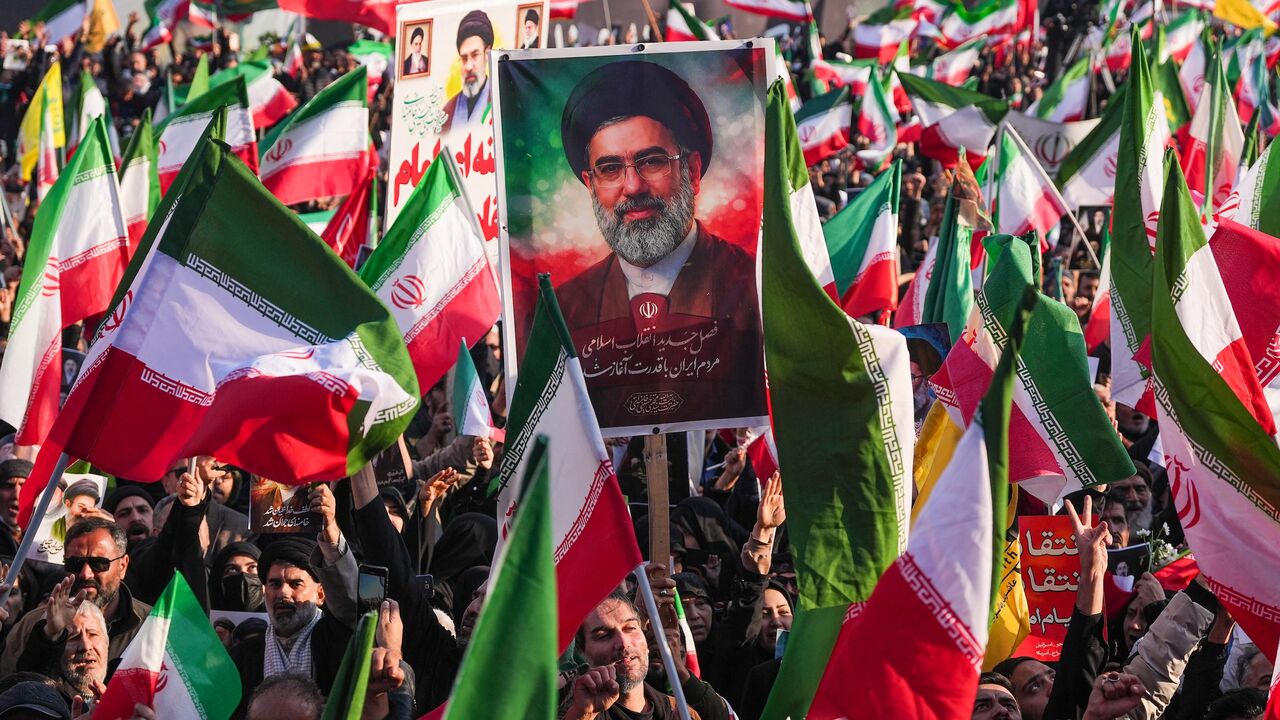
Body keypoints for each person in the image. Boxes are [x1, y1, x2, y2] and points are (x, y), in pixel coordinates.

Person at [554, 60, 766, 429]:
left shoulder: (757, 287)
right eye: (610, 169)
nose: (632, 187)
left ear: (693, 171)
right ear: (591, 184)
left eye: (652, 162)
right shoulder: (562, 311)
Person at [227, 484, 357, 715]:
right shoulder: (246, 655)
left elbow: (347, 597)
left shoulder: (338, 640)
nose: (283, 593)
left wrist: (330, 529)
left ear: (320, 594)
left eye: (295, 584)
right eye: (274, 584)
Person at [0, 518, 151, 676]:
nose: (86, 574)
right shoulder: (32, 625)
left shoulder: (152, 624)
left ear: (122, 566)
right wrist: (47, 638)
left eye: (99, 563)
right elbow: (8, 688)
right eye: (75, 564)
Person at [565, 589, 726, 720]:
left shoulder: (682, 713)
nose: (623, 642)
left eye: (630, 628)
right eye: (603, 635)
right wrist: (583, 715)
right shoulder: (575, 712)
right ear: (581, 653)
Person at [441, 11, 493, 135]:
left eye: (475, 55)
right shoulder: (448, 112)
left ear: (487, 54)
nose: (468, 66)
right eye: (464, 58)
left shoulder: (502, 100)